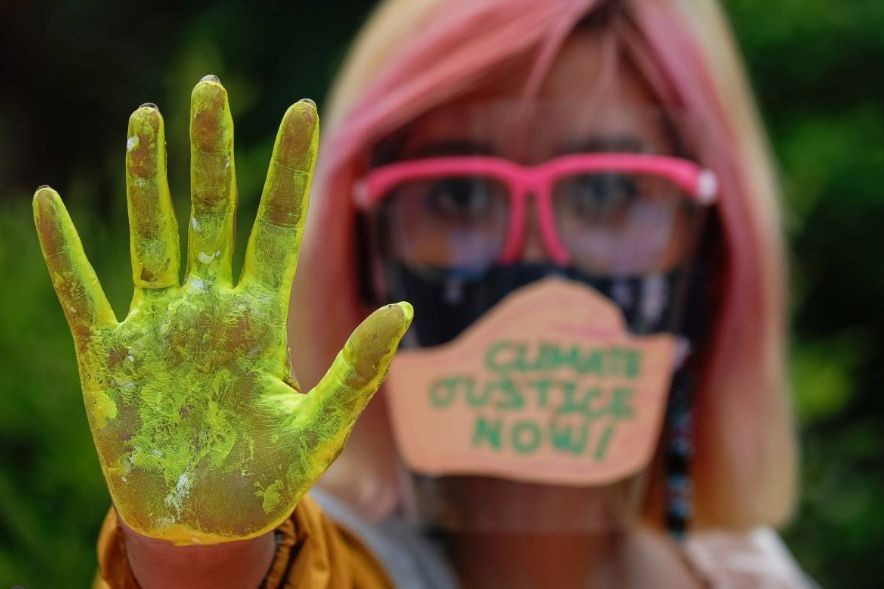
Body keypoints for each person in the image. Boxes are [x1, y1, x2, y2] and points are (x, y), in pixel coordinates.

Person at [33, 0, 812, 587]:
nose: (536, 257)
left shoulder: (746, 573)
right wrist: (202, 556)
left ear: (712, 250)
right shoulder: (324, 556)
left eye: (608, 192)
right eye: (459, 197)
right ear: (362, 249)